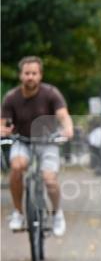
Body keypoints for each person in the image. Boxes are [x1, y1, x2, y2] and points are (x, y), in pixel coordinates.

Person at [2, 56, 75, 236]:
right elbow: (3, 122)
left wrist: (67, 129)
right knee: (16, 168)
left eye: (34, 73)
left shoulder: (51, 93)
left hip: (47, 141)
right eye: (27, 73)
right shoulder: (11, 97)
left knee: (49, 179)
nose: (30, 77)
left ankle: (57, 214)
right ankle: (18, 213)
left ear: (40, 75)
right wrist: (3, 130)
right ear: (21, 75)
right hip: (22, 140)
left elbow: (63, 115)